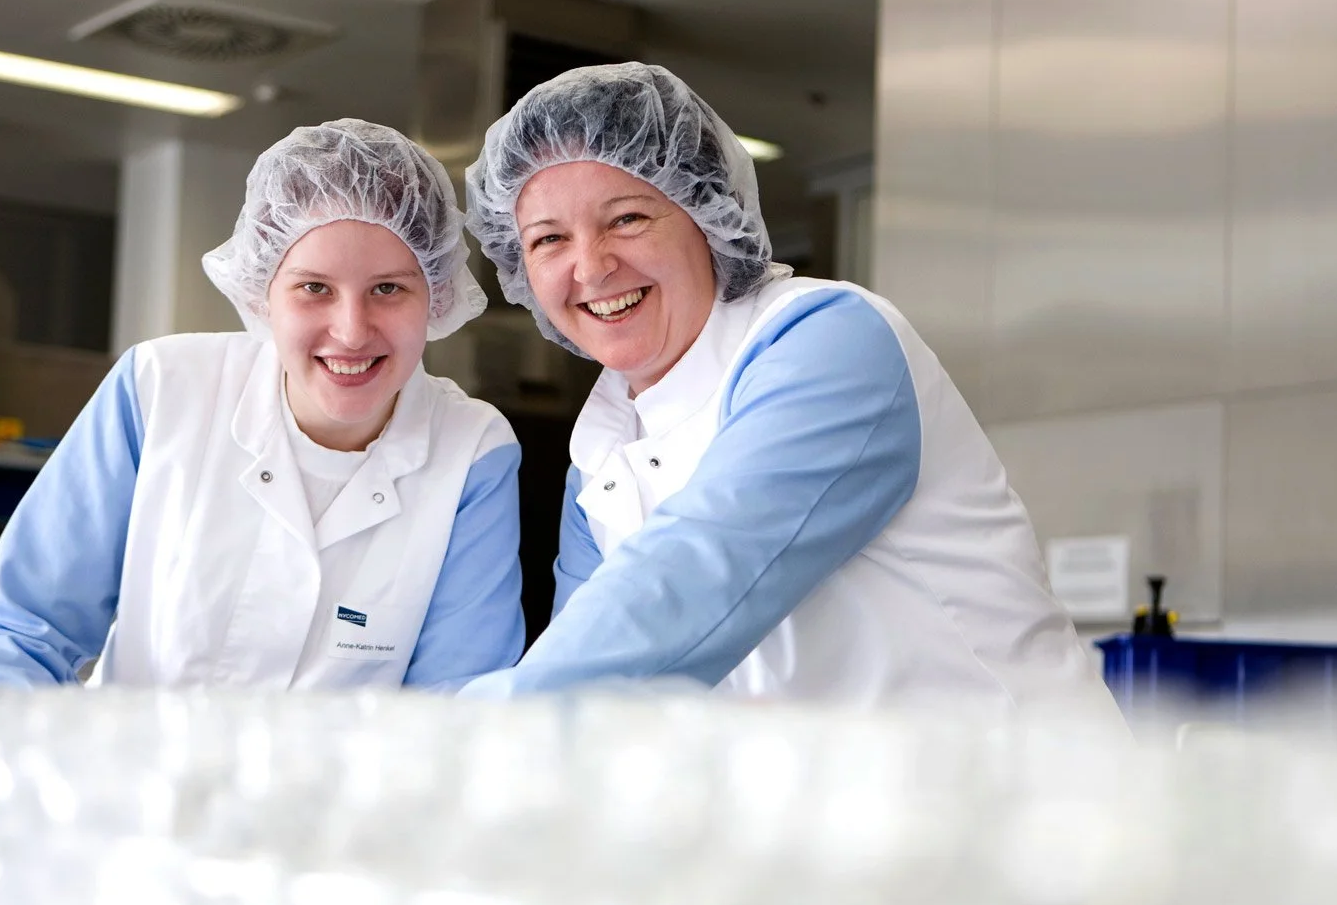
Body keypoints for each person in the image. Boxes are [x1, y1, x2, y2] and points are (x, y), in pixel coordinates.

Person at [458, 63, 1109, 713]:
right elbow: (598, 692)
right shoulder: (599, 451)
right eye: (548, 239)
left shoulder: (829, 340)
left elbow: (700, 571)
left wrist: (465, 736)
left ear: (704, 213)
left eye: (627, 218)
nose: (592, 266)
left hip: (1020, 794)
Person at [0, 120, 524, 690]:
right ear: (261, 293)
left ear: (437, 294)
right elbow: (22, 632)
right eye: (314, 288)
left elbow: (457, 709)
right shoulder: (162, 389)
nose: (351, 332)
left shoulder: (472, 452)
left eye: (387, 289)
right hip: (133, 776)